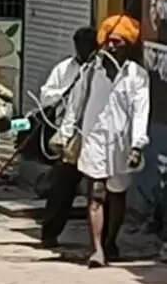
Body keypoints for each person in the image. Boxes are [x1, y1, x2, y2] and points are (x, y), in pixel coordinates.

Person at [57, 14, 151, 266]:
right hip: (94, 140)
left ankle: (110, 241)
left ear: (128, 46)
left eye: (118, 42)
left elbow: (141, 112)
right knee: (96, 192)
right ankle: (96, 249)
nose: (111, 46)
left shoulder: (137, 76)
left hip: (122, 145)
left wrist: (137, 145)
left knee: (117, 194)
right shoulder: (91, 70)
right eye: (108, 41)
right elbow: (75, 106)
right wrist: (65, 135)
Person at [37, 26, 100, 247]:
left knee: (99, 191)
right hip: (71, 134)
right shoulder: (65, 69)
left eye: (87, 46)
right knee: (62, 186)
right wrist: (63, 95)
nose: (82, 50)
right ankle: (50, 233)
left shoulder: (101, 71)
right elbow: (46, 95)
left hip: (94, 136)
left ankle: (103, 242)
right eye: (79, 45)